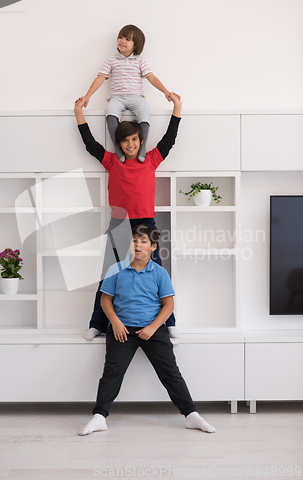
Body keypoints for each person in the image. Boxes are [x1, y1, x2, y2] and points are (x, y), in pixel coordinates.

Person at [79, 224, 216, 436]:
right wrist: (115, 322)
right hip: (122, 329)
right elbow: (105, 300)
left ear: (153, 247)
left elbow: (168, 305)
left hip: (153, 329)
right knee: (112, 373)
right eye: (134, 241)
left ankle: (191, 415)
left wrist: (153, 328)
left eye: (143, 242)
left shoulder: (160, 272)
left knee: (170, 372)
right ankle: (99, 417)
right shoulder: (115, 270)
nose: (138, 245)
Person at [74, 92, 182, 340]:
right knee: (108, 273)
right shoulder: (113, 162)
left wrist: (177, 108)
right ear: (119, 143)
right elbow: (91, 145)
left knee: (156, 271)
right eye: (125, 141)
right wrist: (79, 114)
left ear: (140, 140)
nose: (130, 144)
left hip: (145, 222)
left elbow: (169, 139)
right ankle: (97, 324)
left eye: (134, 139)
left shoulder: (151, 160)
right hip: (120, 223)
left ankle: (169, 322)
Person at [81, 24, 174, 163]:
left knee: (144, 112)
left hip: (136, 97)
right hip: (117, 98)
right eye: (120, 37)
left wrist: (166, 91)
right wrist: (87, 96)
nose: (122, 41)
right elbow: (100, 78)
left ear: (136, 44)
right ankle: (118, 149)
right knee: (110, 113)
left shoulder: (140, 61)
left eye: (128, 39)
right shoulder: (111, 60)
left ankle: (142, 148)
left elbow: (152, 78)